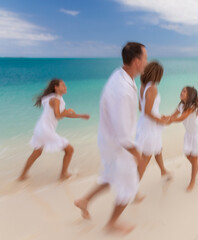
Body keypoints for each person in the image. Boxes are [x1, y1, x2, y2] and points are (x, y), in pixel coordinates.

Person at [74, 42, 147, 234]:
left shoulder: (119, 74)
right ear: (137, 61)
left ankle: (84, 200)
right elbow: (123, 134)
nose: (147, 63)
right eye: (145, 59)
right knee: (130, 185)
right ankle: (112, 223)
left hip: (107, 140)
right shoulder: (122, 90)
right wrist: (136, 152)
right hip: (118, 145)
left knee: (109, 175)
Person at [18, 78, 90, 181]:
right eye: (63, 85)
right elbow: (58, 115)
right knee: (69, 150)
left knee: (37, 152)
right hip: (45, 129)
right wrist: (68, 111)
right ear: (56, 88)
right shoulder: (55, 99)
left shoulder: (56, 99)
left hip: (40, 128)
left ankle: (22, 176)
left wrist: (80, 116)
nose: (65, 87)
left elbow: (64, 113)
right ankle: (63, 175)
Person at [169, 86, 198, 192]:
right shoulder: (181, 105)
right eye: (182, 90)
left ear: (190, 96)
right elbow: (173, 115)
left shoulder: (192, 106)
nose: (181, 92)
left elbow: (182, 118)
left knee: (194, 158)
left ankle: (192, 181)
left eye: (184, 91)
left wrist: (171, 120)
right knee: (187, 154)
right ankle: (196, 167)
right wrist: (165, 119)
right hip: (189, 134)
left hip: (197, 135)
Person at [135, 61, 171, 180]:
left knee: (158, 149)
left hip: (146, 123)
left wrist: (159, 116)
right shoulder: (153, 89)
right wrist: (161, 120)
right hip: (150, 126)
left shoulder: (142, 86)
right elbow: (147, 111)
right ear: (157, 75)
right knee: (146, 157)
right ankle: (132, 187)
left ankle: (163, 171)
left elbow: (141, 108)